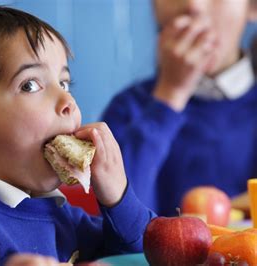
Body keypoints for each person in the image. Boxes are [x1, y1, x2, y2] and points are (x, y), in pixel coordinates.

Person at [0, 5, 155, 265]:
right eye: (30, 85)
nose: (68, 100)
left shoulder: (56, 212)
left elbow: (146, 255)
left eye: (64, 83)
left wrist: (118, 197)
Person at [102, 0, 257, 216]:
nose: (194, 5)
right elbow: (119, 225)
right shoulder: (129, 109)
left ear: (252, 8)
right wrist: (170, 95)